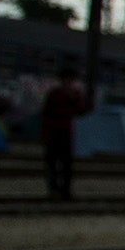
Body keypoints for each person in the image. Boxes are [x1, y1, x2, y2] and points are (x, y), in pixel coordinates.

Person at [40, 64, 85, 201]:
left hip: (65, 132)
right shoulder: (54, 94)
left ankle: (65, 190)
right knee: (53, 163)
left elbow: (80, 110)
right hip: (55, 131)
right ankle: (54, 189)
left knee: (66, 164)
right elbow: (46, 113)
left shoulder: (74, 95)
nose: (68, 82)